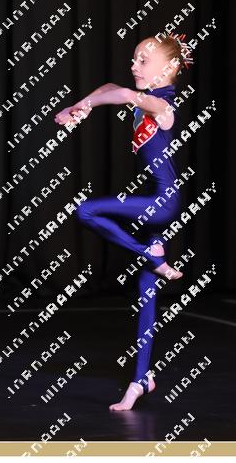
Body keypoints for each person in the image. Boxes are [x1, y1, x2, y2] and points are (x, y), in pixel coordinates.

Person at [54, 33, 194, 410]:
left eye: (143, 60)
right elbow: (111, 88)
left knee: (86, 211)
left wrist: (85, 105)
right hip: (152, 206)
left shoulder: (162, 106)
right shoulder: (143, 98)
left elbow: (123, 95)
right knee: (147, 296)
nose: (134, 65)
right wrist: (80, 106)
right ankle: (140, 381)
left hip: (163, 203)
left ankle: (150, 254)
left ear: (169, 69)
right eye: (134, 59)